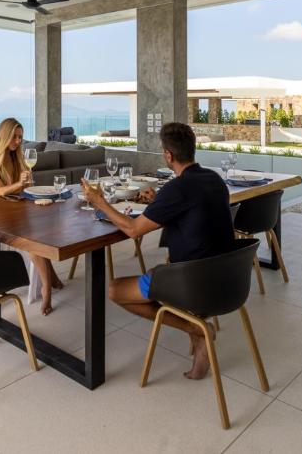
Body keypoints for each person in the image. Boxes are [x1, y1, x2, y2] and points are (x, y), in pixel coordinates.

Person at [81, 122, 235, 380]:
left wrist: (100, 202)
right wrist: (158, 202)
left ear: (168, 155)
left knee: (115, 290)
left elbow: (133, 230)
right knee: (157, 271)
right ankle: (197, 330)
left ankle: (196, 329)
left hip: (193, 283)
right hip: (229, 279)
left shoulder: (177, 188)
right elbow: (196, 213)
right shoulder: (214, 179)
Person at [0, 117, 64, 315]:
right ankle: (46, 288)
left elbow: (24, 190)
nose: (19, 141)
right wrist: (19, 184)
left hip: (18, 210)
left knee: (44, 229)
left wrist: (26, 183)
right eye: (15, 137)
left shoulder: (17, 157)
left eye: (20, 137)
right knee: (32, 239)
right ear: (4, 136)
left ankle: (50, 277)